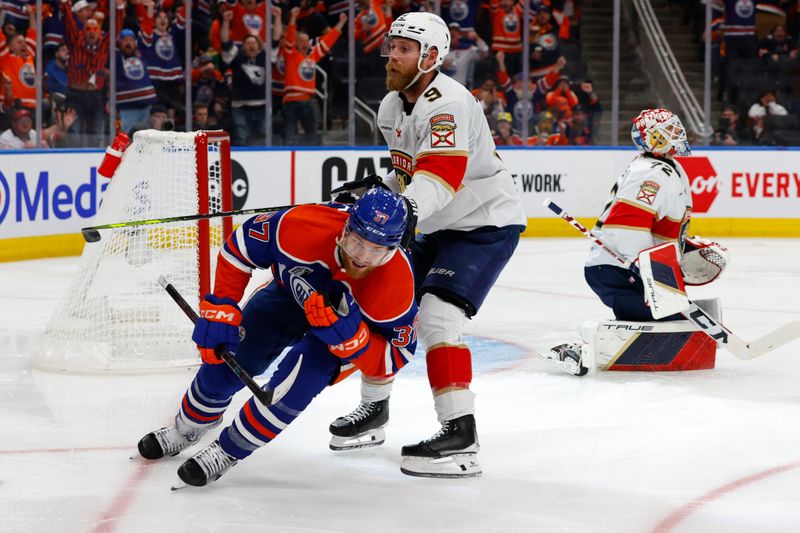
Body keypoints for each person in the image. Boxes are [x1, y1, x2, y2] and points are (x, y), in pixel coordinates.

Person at [328, 11, 526, 479]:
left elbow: (440, 177)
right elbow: (410, 174)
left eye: (403, 48)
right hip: (437, 225)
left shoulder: (449, 103)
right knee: (380, 300)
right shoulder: (391, 106)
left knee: (438, 315)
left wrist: (403, 210)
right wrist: (381, 191)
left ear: (431, 56)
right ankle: (374, 409)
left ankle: (460, 433)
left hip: (482, 224)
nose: (391, 55)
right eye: (391, 47)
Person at [137, 188, 419, 487]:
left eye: (376, 250)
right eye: (357, 242)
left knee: (295, 385)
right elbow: (241, 246)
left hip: (341, 335)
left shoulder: (396, 286)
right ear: (346, 227)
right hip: (287, 299)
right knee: (226, 359)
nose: (361, 257)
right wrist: (222, 306)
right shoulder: (301, 225)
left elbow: (395, 356)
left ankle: (227, 451)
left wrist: (355, 341)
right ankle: (186, 429)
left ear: (393, 249)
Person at [539, 109, 729, 374]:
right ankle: (582, 348)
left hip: (632, 266)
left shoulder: (668, 168)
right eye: (670, 131)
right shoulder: (650, 174)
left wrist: (681, 251)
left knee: (684, 319)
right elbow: (627, 225)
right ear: (654, 138)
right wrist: (649, 269)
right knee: (674, 321)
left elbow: (660, 228)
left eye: (676, 129)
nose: (678, 134)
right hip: (615, 270)